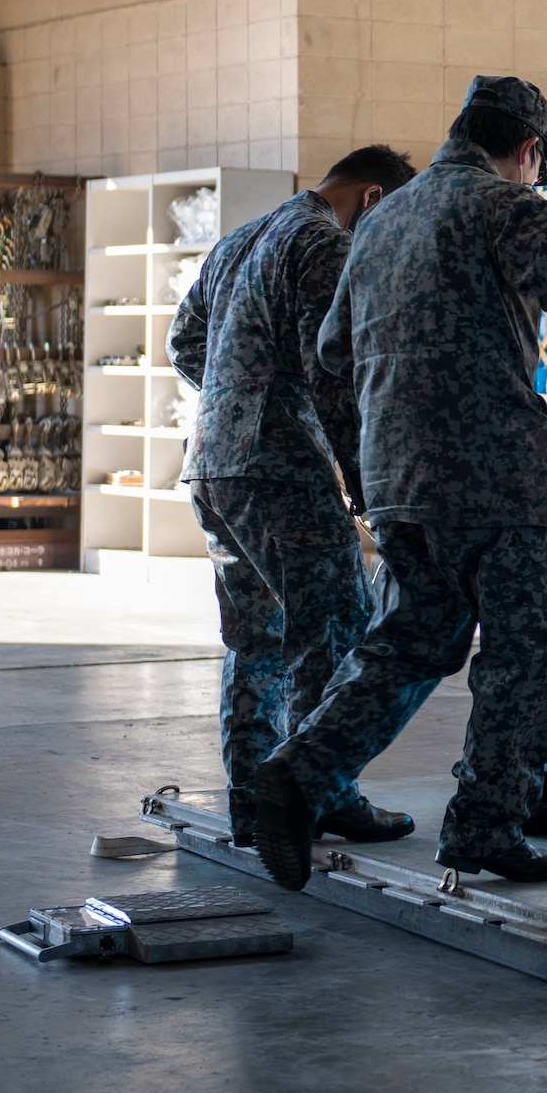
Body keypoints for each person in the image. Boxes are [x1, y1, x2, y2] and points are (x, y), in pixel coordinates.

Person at [248, 76, 547, 892]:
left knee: (408, 642)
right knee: (533, 650)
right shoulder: (503, 204)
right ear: (528, 151)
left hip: (399, 480)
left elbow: (334, 347)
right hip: (496, 480)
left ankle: (300, 771)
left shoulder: (380, 221)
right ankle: (487, 826)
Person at [169, 144, 418, 849]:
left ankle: (255, 802)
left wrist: (234, 397)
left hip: (212, 467)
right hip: (280, 471)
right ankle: (320, 793)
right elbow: (333, 375)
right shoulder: (321, 246)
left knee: (256, 635)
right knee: (333, 624)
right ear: (372, 199)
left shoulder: (241, 238)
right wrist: (370, 486)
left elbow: (183, 342)